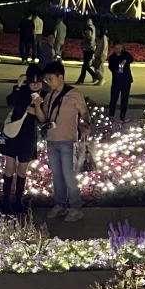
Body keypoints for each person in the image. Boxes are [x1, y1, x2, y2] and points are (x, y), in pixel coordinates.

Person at [42, 60, 89, 222]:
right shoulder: (48, 96)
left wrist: (85, 125)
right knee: (57, 175)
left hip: (68, 141)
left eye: (50, 78)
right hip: (52, 140)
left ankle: (75, 207)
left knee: (69, 176)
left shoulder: (74, 93)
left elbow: (84, 112)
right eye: (46, 79)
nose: (47, 82)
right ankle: (60, 204)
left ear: (60, 77)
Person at [0, 66, 46, 214]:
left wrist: (37, 107)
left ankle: (18, 201)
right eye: (32, 82)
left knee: (22, 170)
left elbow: (43, 118)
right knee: (9, 167)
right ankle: (6, 202)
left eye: (39, 81)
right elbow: (10, 101)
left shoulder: (43, 95)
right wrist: (18, 86)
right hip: (13, 135)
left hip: (28, 136)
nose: (36, 85)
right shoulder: (22, 91)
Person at [107, 39, 135, 121]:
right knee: (113, 99)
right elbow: (111, 67)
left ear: (121, 47)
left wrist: (125, 60)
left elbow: (131, 59)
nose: (117, 50)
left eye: (119, 48)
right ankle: (111, 115)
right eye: (115, 48)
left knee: (124, 99)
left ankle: (122, 116)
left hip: (126, 81)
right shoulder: (112, 57)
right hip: (116, 82)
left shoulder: (126, 54)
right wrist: (117, 68)